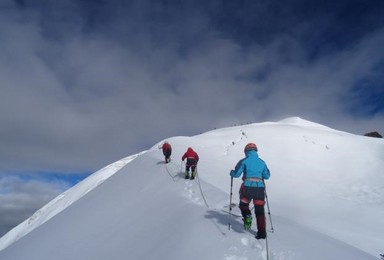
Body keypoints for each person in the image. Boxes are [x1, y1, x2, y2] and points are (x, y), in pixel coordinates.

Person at [230, 143, 270, 239]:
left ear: (246, 151)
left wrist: (232, 172)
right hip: (260, 188)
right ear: (256, 151)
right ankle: (262, 233)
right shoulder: (262, 162)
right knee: (259, 210)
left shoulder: (244, 161)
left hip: (247, 187)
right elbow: (267, 176)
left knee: (243, 204)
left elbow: (236, 174)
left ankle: (247, 216)